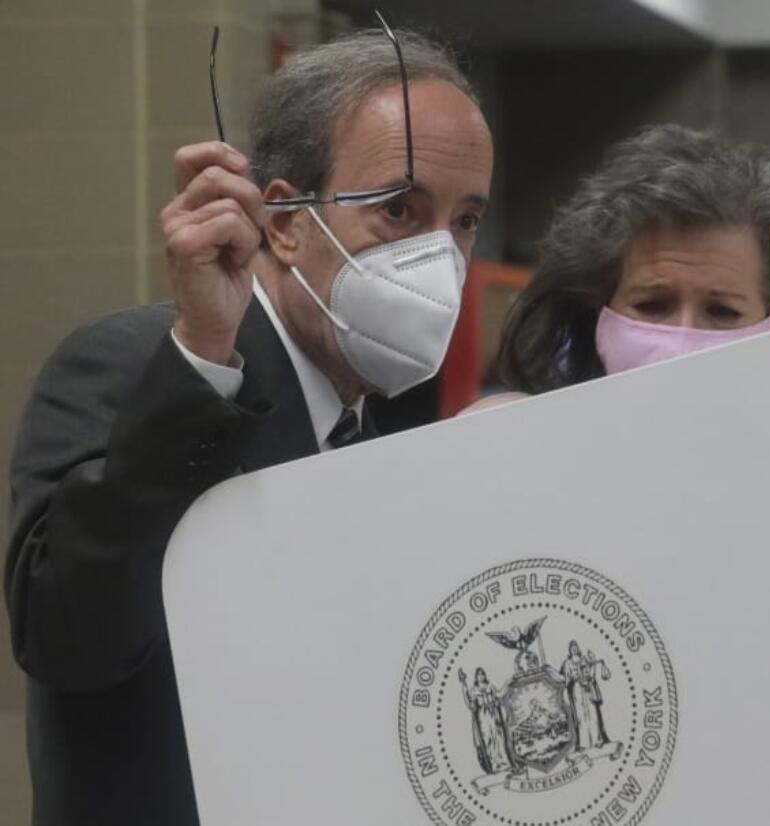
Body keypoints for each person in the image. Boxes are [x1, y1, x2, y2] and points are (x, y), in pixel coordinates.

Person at [5, 24, 493, 826]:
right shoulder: (132, 366)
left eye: (465, 220)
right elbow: (69, 640)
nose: (440, 254)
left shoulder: (373, 447)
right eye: (400, 209)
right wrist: (201, 354)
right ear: (286, 222)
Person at [494, 124, 770, 396]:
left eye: (722, 311)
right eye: (652, 305)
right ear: (596, 309)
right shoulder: (531, 448)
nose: (682, 342)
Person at [458, 667, 514, 774]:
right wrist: (463, 685)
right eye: (479, 675)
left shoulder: (490, 686)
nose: (481, 676)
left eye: (482, 674)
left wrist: (507, 683)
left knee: (498, 738)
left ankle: (504, 763)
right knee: (488, 739)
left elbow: (499, 694)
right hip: (483, 717)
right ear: (476, 677)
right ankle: (494, 765)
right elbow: (470, 704)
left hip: (493, 714)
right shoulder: (474, 690)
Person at [561, 641, 610, 751]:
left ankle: (598, 740)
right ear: (569, 650)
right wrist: (572, 680)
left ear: (577, 648)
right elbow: (566, 679)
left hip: (587, 689)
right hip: (577, 690)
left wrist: (593, 662)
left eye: (575, 647)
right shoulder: (567, 663)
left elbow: (591, 668)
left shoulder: (584, 659)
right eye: (571, 648)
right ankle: (584, 743)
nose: (573, 649)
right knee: (581, 717)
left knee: (592, 714)